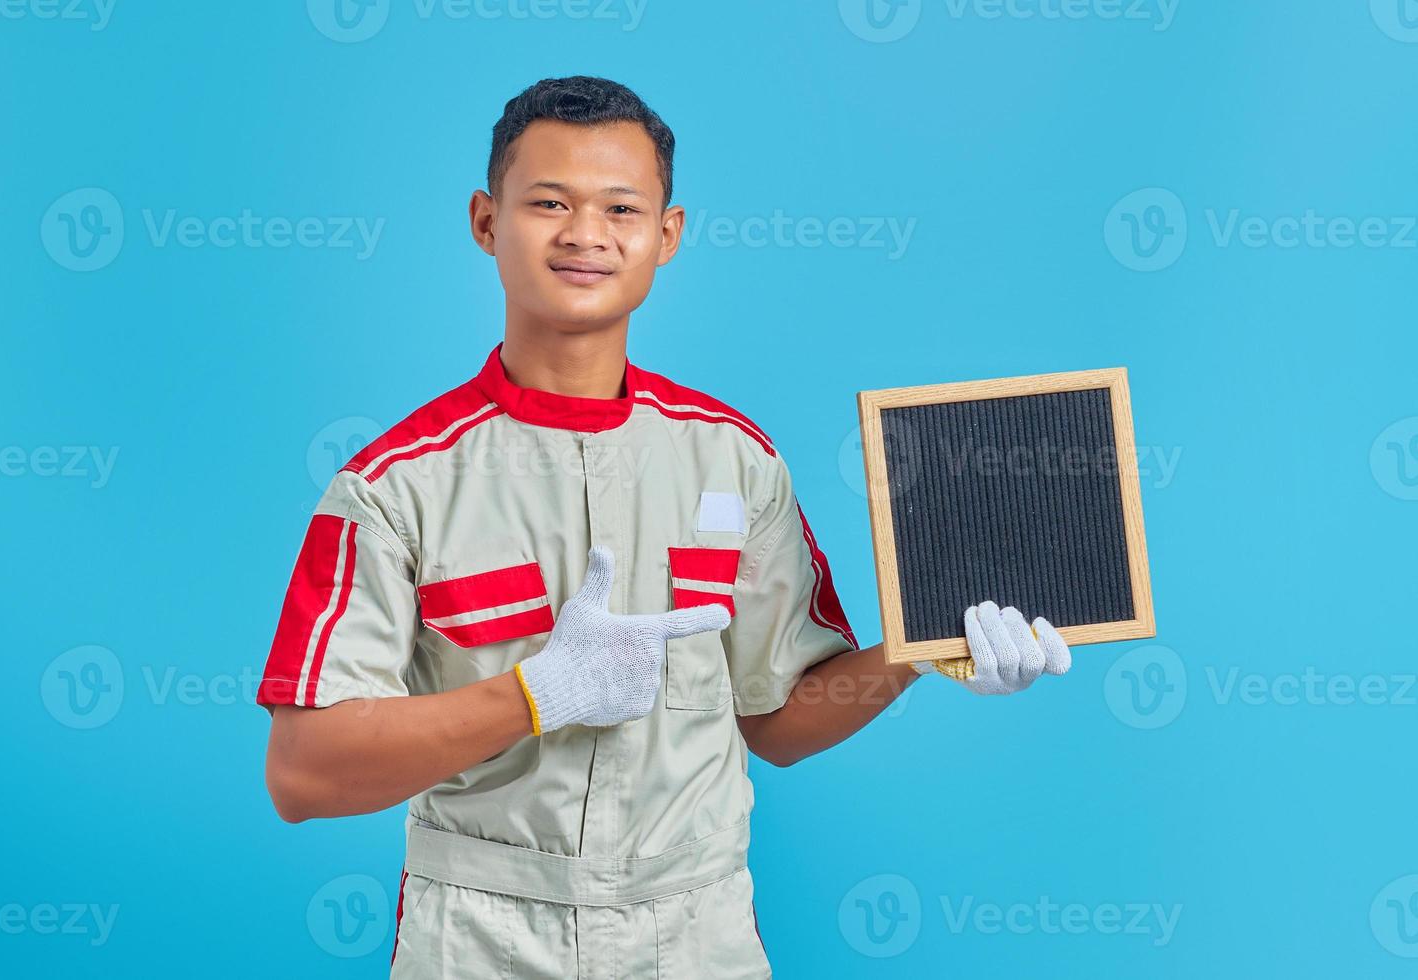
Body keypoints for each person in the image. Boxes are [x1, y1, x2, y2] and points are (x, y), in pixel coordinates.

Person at [256, 75, 1073, 979]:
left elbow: (777, 720)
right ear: (486, 222)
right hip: (482, 941)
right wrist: (536, 695)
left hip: (697, 937)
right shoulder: (392, 487)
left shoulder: (734, 461)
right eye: (549, 203)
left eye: (621, 208)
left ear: (666, 236)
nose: (585, 235)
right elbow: (303, 774)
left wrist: (916, 653)